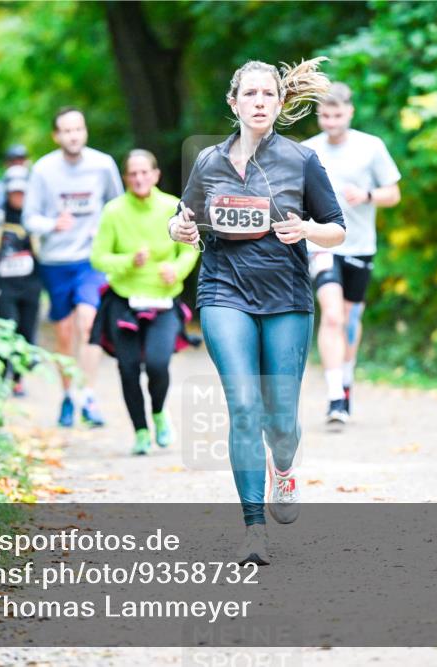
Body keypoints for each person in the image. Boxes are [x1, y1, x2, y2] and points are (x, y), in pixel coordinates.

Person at [169, 58, 345, 565]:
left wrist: (306, 230)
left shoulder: (302, 160)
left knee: (280, 422)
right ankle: (253, 530)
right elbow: (184, 219)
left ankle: (283, 468)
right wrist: (178, 229)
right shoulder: (208, 161)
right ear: (234, 103)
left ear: (280, 102)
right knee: (244, 407)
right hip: (224, 291)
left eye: (268, 94)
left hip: (286, 296)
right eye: (250, 94)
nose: (260, 102)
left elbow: (337, 228)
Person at [302, 83, 402, 427]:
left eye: (337, 115)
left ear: (350, 112)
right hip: (321, 245)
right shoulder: (307, 151)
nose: (331, 122)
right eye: (325, 116)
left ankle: (345, 380)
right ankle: (334, 397)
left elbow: (393, 193)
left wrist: (368, 195)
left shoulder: (370, 147)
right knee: (331, 316)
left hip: (360, 245)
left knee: (350, 319)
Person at [90, 150, 199, 455]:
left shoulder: (172, 206)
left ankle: (159, 413)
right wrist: (128, 260)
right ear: (126, 178)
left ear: (155, 175)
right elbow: (98, 257)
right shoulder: (114, 211)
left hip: (163, 300)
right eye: (133, 174)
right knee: (127, 369)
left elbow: (190, 248)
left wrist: (176, 269)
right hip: (124, 301)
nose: (139, 178)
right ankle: (140, 431)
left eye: (144, 172)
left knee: (157, 363)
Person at [23, 107, 124, 427]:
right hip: (55, 262)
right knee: (64, 335)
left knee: (89, 322)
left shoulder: (102, 165)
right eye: (66, 131)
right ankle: (68, 396)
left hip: (91, 259)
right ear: (57, 136)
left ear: (85, 131)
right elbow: (29, 218)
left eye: (78, 129)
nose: (73, 136)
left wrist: (107, 232)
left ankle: (89, 396)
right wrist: (53, 224)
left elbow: (118, 206)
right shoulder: (43, 170)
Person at [0, 165, 42, 397]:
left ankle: (18, 380)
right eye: (14, 192)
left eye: (22, 192)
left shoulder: (35, 214)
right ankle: (2, 377)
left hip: (31, 282)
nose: (18, 196)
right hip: (3, 283)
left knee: (26, 330)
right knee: (5, 327)